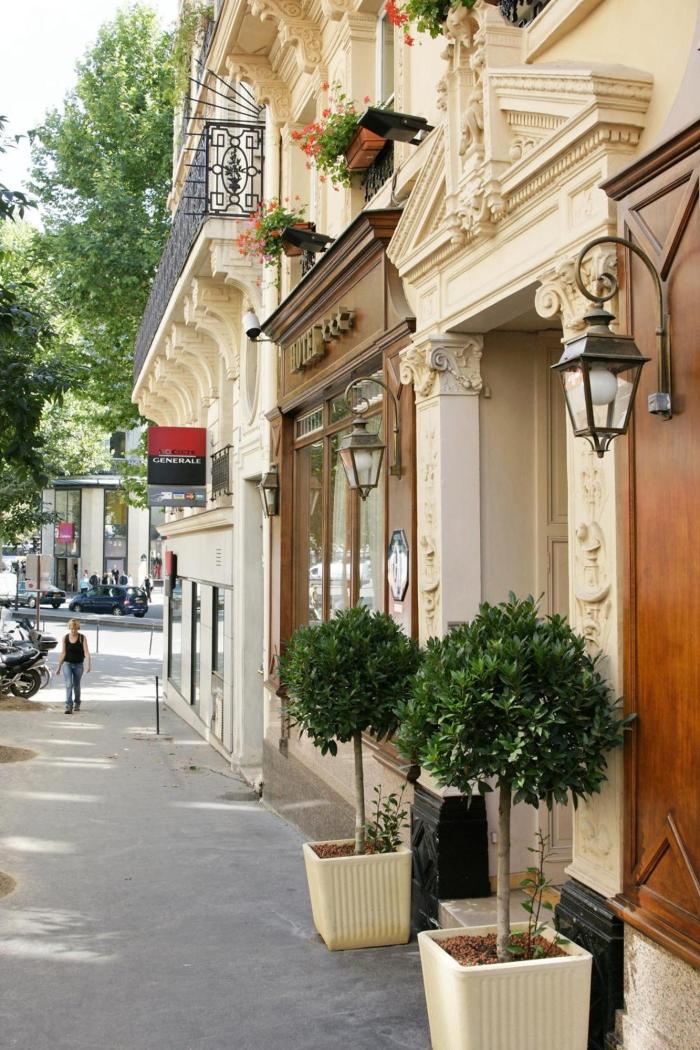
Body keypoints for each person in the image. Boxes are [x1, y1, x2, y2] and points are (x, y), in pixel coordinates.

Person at [55, 618, 91, 714]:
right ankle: (68, 705)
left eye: (75, 629)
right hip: (67, 664)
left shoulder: (82, 638)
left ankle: (77, 702)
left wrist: (88, 665)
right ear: (69, 628)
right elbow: (63, 653)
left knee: (76, 685)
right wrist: (59, 667)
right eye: (71, 629)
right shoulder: (66, 638)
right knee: (68, 684)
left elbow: (86, 652)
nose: (73, 631)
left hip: (78, 665)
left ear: (78, 628)